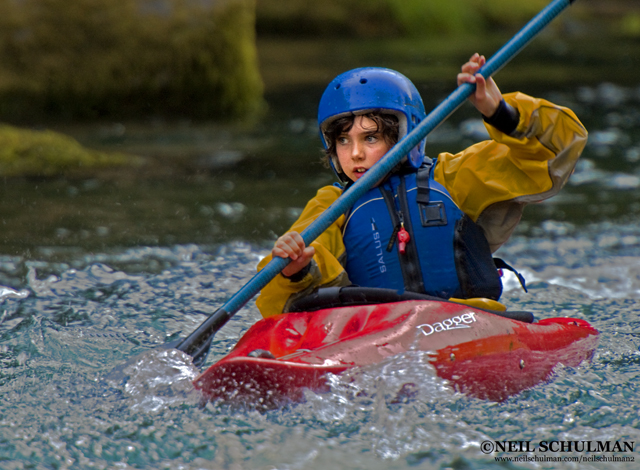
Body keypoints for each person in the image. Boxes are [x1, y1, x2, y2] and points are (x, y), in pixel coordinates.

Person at [256, 53, 588, 318]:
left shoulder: (455, 179)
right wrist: (296, 270)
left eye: (370, 137)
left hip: (470, 320)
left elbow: (557, 149)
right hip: (378, 333)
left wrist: (499, 112)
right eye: (343, 140)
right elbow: (275, 303)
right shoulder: (331, 207)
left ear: (408, 133)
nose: (355, 153)